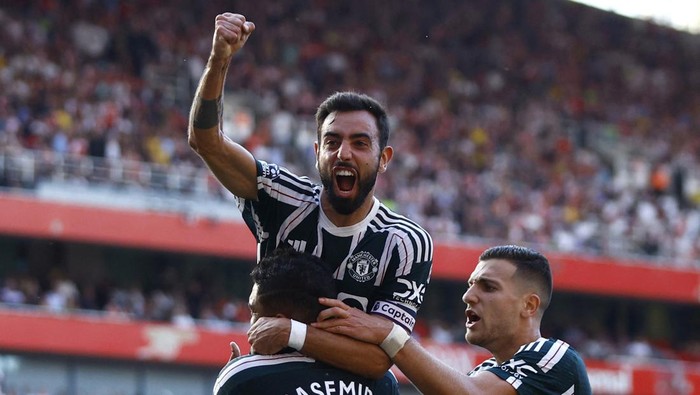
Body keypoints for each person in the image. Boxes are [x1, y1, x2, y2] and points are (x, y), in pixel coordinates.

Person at [188, 13, 433, 378]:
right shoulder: (281, 198)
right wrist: (219, 59)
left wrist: (293, 333)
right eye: (332, 142)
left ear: (384, 159)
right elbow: (206, 141)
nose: (344, 154)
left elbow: (380, 361)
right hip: (275, 379)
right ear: (317, 151)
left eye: (360, 143)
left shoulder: (406, 243)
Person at [314, 245, 593, 394]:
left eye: (488, 287)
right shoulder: (478, 375)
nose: (468, 296)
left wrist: (391, 334)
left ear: (529, 305)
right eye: (471, 285)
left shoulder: (555, 358)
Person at [213, 247, 400, 394]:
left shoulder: (244, 377)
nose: (251, 323)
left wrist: (234, 377)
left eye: (254, 312)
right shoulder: (383, 382)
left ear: (278, 321)